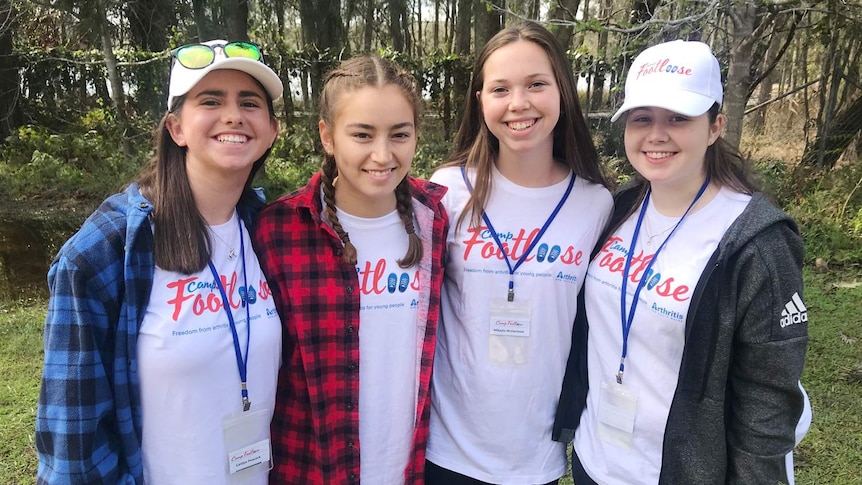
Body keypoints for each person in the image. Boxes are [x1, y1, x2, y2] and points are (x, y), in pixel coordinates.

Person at [552, 40, 809, 484]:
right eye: (642, 118)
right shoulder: (620, 209)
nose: (656, 134)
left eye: (678, 118)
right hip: (595, 462)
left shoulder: (757, 245)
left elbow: (768, 402)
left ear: (715, 127)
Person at [35, 39, 283, 484]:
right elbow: (73, 442)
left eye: (250, 102)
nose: (233, 115)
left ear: (271, 130)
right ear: (176, 128)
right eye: (211, 101)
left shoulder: (268, 230)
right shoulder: (106, 252)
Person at [425, 21, 613, 484]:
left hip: (536, 457)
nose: (518, 104)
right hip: (445, 450)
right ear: (481, 100)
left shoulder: (596, 203)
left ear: (563, 92)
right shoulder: (447, 189)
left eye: (536, 85)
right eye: (500, 89)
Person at [251, 55, 448, 484]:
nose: (382, 154)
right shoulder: (279, 231)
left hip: (408, 466)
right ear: (328, 136)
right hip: (312, 468)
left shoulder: (435, 219)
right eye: (362, 134)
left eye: (400, 134)